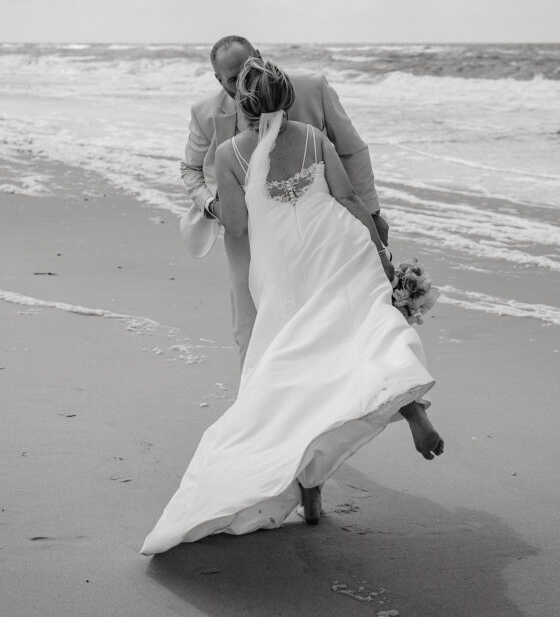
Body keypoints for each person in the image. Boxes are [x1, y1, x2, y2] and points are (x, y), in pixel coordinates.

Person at [140, 58, 443, 556]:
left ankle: (308, 487)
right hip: (337, 247)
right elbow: (347, 198)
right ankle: (408, 405)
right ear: (284, 97)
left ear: (243, 103)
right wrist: (381, 255)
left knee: (292, 370)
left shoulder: (230, 153)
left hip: (284, 270)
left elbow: (236, 228)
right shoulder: (310, 137)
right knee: (368, 336)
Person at [180, 36, 389, 369]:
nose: (243, 79)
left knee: (344, 318)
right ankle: (260, 408)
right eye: (232, 78)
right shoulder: (205, 113)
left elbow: (352, 150)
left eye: (249, 65)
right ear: (218, 80)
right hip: (247, 236)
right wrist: (212, 205)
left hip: (319, 233)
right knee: (252, 329)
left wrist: (372, 214)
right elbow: (191, 168)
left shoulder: (312, 89)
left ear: (260, 57)